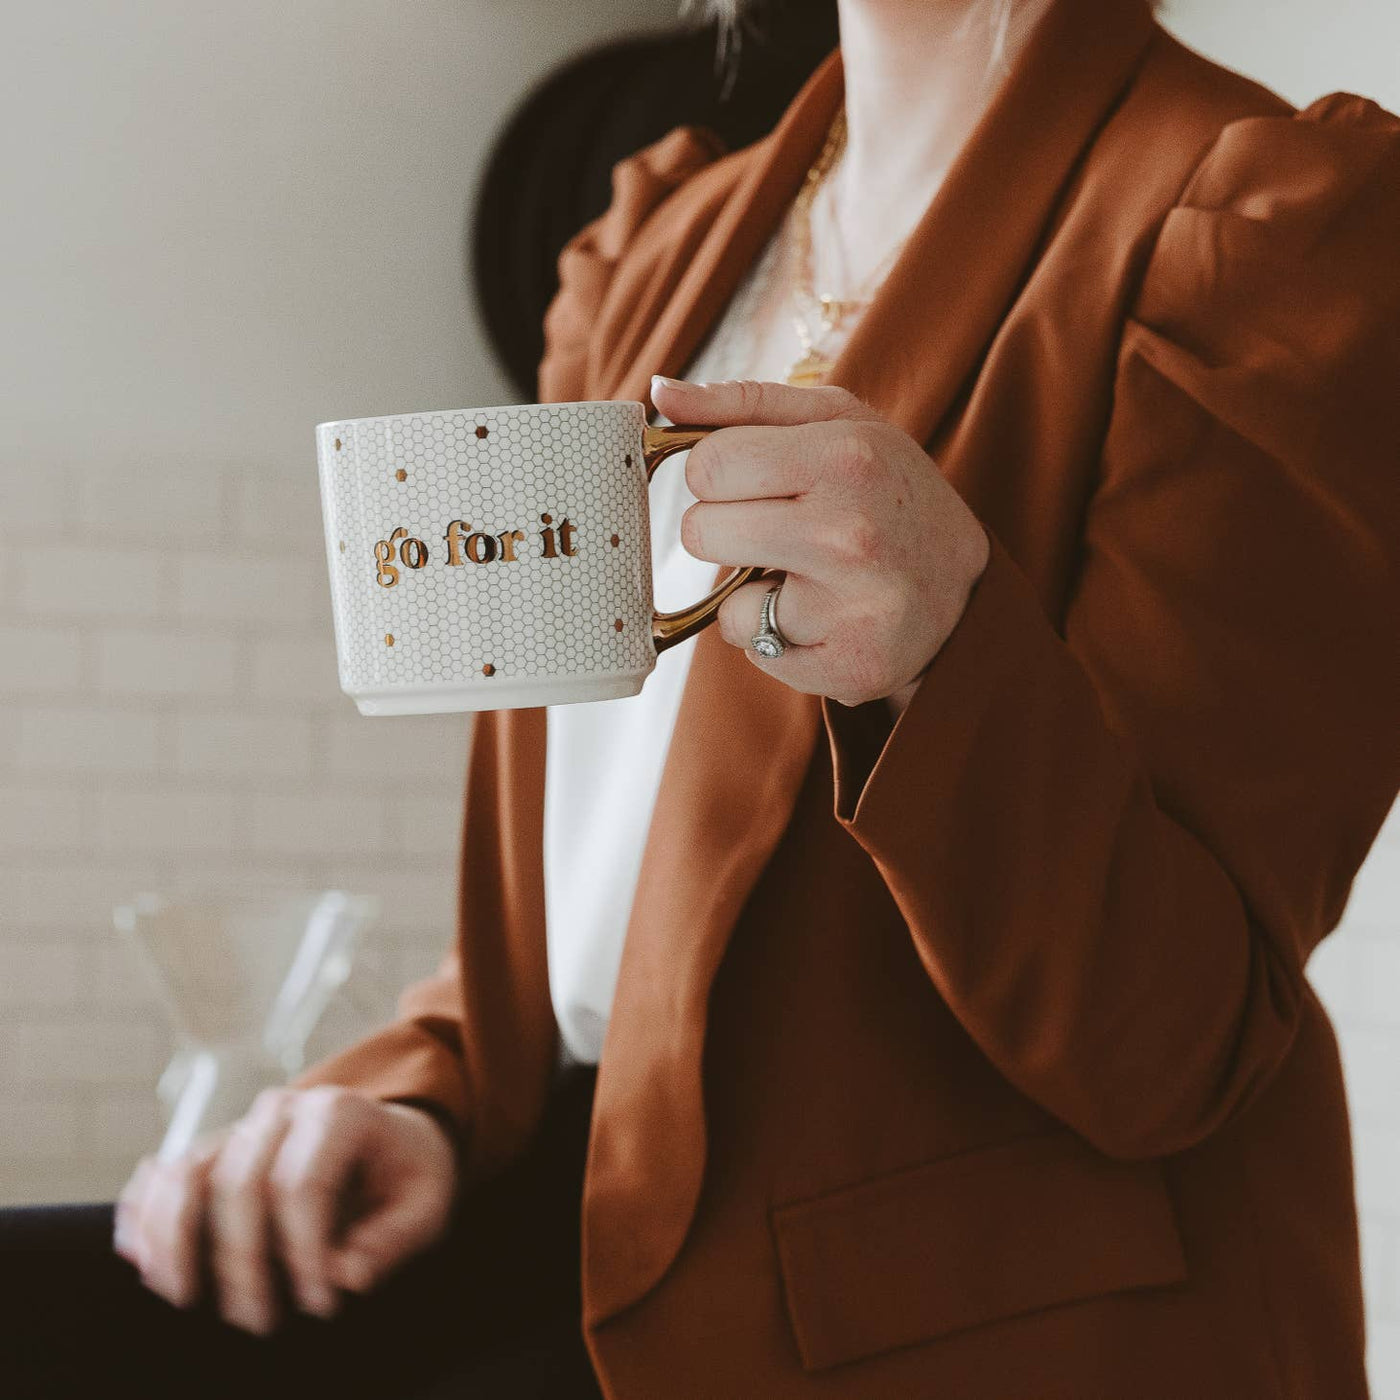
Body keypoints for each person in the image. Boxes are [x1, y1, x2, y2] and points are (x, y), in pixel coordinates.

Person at [6, 0, 1399, 1394]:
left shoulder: (1271, 227)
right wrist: (425, 1086)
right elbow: (613, 896)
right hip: (611, 1218)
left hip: (985, 1335)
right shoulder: (660, 244)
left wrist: (946, 655)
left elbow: (1176, 1043)